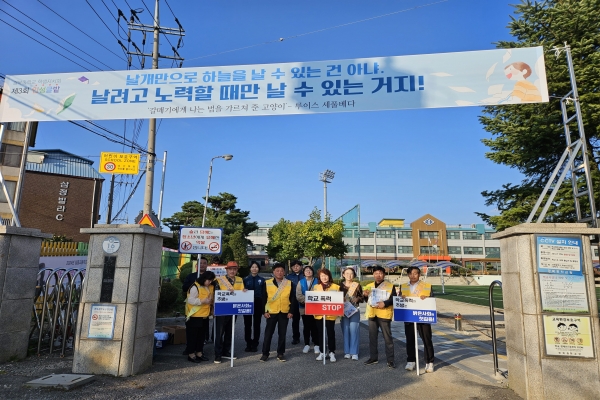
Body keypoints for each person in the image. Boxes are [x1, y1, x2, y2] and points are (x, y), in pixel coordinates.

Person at [401, 266, 435, 373]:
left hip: (423, 316)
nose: (413, 276)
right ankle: (411, 361)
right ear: (408, 275)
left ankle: (429, 362)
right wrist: (401, 298)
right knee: (410, 340)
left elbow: (432, 300)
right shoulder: (403, 286)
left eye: (415, 273)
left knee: (426, 339)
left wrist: (427, 298)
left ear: (419, 275)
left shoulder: (426, 286)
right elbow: (400, 301)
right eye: (410, 273)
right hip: (409, 316)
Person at [363, 266, 397, 369]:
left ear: (384, 274)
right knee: (372, 337)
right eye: (376, 273)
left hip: (384, 314)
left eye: (381, 273)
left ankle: (390, 360)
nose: (378, 275)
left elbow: (394, 299)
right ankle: (373, 358)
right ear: (373, 274)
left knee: (387, 338)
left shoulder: (390, 286)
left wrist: (385, 303)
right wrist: (365, 295)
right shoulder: (369, 286)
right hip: (372, 314)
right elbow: (367, 300)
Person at [260, 263, 294, 362]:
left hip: (284, 311)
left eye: (282, 271)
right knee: (268, 334)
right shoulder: (267, 283)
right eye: (277, 271)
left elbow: (293, 298)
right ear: (273, 272)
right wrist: (264, 311)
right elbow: (264, 298)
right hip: (271, 312)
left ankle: (280, 353)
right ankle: (265, 353)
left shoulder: (289, 283)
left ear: (284, 272)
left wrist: (291, 311)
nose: (280, 272)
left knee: (282, 334)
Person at [213, 261, 245, 364]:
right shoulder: (219, 280)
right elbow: (216, 294)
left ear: (237, 270)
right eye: (230, 269)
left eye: (234, 269)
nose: (232, 271)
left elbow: (241, 292)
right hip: (222, 309)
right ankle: (218, 354)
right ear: (226, 270)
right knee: (219, 332)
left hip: (233, 309)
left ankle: (226, 351)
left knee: (230, 332)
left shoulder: (240, 280)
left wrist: (244, 292)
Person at [184, 271, 215, 363]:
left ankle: (199, 353)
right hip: (194, 316)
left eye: (211, 280)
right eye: (209, 280)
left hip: (204, 315)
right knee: (192, 336)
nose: (210, 282)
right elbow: (190, 300)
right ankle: (191, 354)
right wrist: (202, 301)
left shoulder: (209, 287)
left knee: (201, 336)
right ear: (204, 279)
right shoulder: (195, 286)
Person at [314, 268, 340, 362]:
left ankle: (332, 352)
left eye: (326, 275)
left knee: (330, 333)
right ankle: (322, 352)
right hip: (319, 314)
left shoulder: (336, 287)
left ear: (329, 276)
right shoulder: (316, 287)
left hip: (330, 314)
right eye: (322, 276)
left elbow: (338, 300)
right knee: (320, 333)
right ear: (319, 277)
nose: (324, 277)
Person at [339, 266, 364, 360]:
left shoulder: (357, 285)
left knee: (354, 330)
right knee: (345, 330)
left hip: (354, 310)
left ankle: (354, 352)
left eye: (351, 273)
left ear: (354, 275)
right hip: (343, 311)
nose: (349, 275)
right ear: (343, 275)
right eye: (347, 273)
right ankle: (347, 351)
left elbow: (362, 297)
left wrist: (357, 298)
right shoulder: (339, 286)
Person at [296, 265, 320, 354]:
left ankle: (316, 344)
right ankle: (307, 344)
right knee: (306, 326)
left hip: (316, 307)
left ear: (313, 272)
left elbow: (321, 293)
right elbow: (298, 295)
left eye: (310, 270)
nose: (308, 271)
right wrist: (307, 301)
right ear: (304, 273)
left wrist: (312, 302)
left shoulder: (318, 281)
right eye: (306, 270)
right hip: (304, 307)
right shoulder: (301, 282)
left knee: (315, 326)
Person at [243, 261, 265, 352]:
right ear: (250, 268)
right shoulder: (245, 279)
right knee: (247, 324)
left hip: (258, 302)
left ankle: (255, 343)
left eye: (256, 267)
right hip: (247, 302)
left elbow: (264, 293)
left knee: (257, 324)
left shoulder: (262, 280)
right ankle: (248, 343)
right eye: (252, 267)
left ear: (258, 269)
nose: (254, 269)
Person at [286, 260, 303, 345]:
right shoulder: (288, 277)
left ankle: (310, 337)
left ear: (301, 267)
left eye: (297, 266)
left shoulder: (305, 275)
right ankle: (296, 338)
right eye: (293, 266)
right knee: (295, 320)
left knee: (308, 320)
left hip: (305, 300)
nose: (295, 268)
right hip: (294, 300)